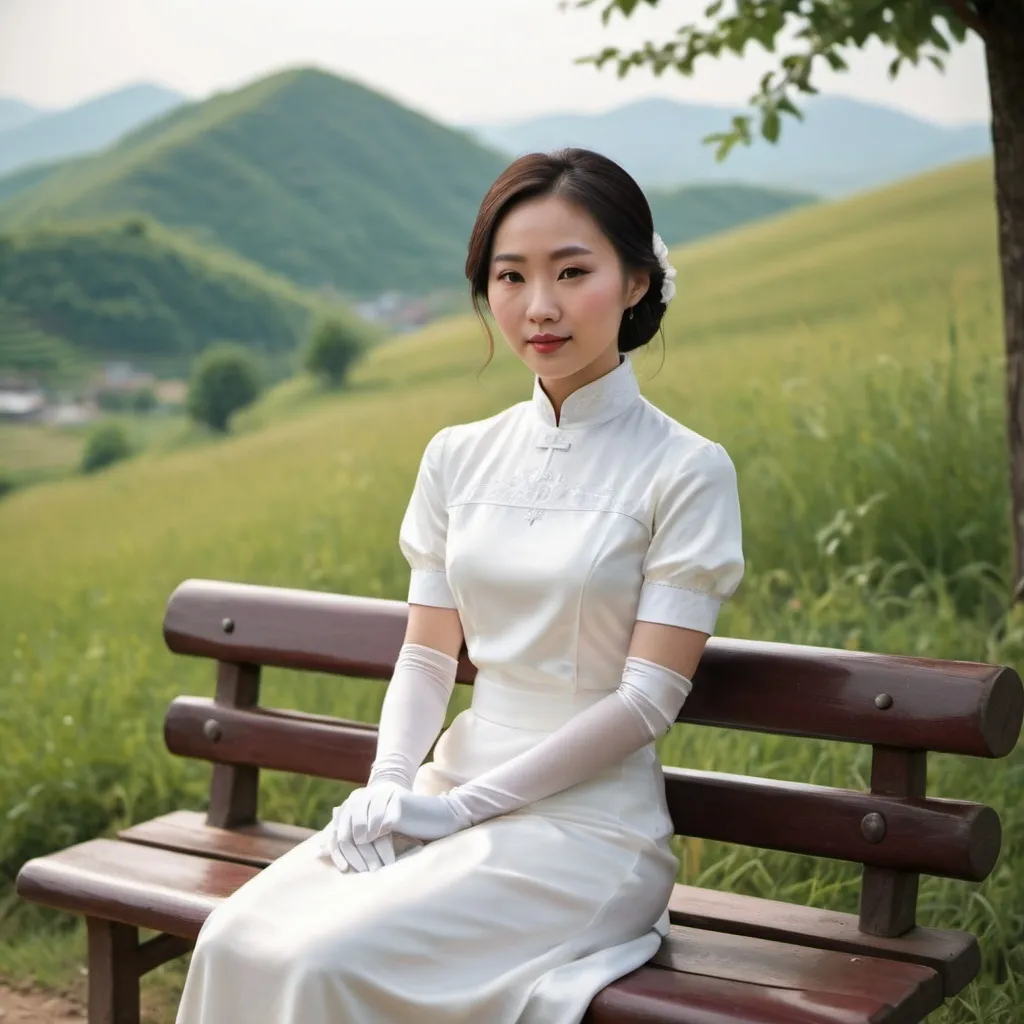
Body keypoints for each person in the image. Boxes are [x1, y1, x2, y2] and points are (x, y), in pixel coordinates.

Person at [174, 147, 744, 1024]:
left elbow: (646, 702)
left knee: (327, 962)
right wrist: (392, 783)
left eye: (572, 271)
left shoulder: (686, 470)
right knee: (234, 939)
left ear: (635, 282)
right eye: (510, 276)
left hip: (587, 832)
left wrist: (470, 808)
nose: (539, 306)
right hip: (442, 794)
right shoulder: (457, 455)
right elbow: (427, 654)